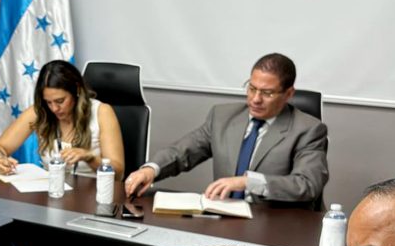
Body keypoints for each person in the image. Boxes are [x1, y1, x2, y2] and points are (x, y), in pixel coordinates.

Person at [124, 53, 327, 205]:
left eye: (267, 93)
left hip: (277, 225)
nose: (255, 99)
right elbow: (183, 151)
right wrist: (151, 169)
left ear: (289, 94)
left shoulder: (308, 130)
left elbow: (307, 185)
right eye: (252, 88)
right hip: (226, 217)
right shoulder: (223, 117)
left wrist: (248, 182)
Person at [0, 60, 124, 178]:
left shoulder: (102, 112)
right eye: (48, 102)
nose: (54, 108)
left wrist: (90, 158)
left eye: (60, 101)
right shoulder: (40, 111)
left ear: (77, 90)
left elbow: (118, 173)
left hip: (92, 193)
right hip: (52, 192)